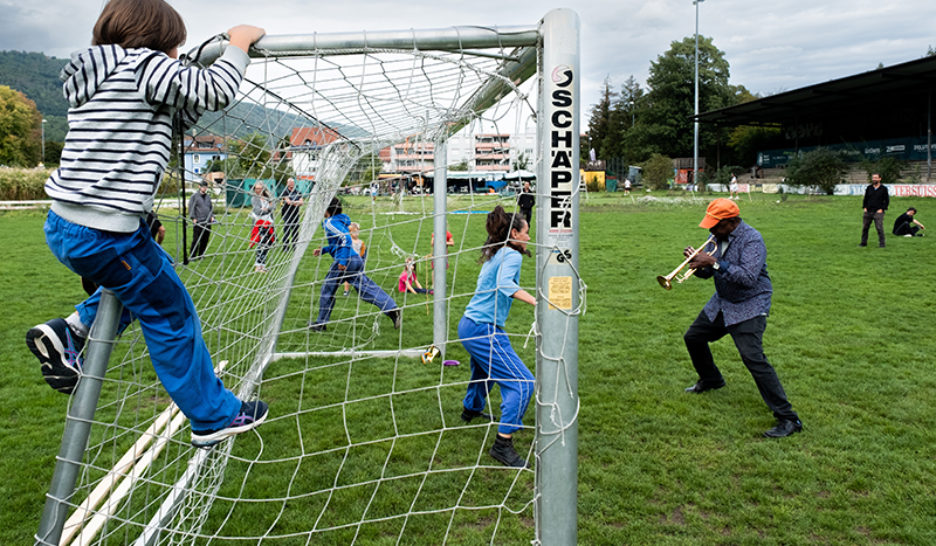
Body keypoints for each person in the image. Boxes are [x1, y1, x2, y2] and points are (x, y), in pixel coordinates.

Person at [25, 0, 268, 448]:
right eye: (175, 46)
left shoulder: (101, 77)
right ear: (158, 39)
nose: (175, 57)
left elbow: (173, 116)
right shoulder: (142, 64)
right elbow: (213, 91)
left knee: (145, 281)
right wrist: (238, 44)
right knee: (171, 314)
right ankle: (214, 416)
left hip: (69, 223)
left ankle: (71, 330)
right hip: (105, 232)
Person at [682, 198, 802, 438]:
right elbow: (709, 275)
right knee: (694, 337)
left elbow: (747, 278)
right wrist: (698, 265)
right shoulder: (717, 237)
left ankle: (788, 419)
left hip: (750, 304)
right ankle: (711, 379)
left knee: (753, 358)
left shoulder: (752, 240)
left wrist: (713, 262)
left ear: (732, 222)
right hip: (723, 301)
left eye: (715, 225)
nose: (711, 230)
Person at [458, 205, 536, 467]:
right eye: (526, 233)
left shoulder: (497, 252)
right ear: (514, 233)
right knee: (522, 383)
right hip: (483, 328)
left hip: (468, 325)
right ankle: (503, 445)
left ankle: (471, 409)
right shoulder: (511, 256)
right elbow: (505, 286)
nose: (528, 237)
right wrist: (538, 302)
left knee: (484, 371)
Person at [309, 197, 401, 331]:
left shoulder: (329, 222)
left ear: (327, 209)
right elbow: (338, 244)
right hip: (355, 259)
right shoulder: (340, 220)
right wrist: (323, 250)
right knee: (366, 288)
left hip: (345, 261)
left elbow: (346, 238)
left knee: (327, 289)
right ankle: (391, 308)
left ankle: (320, 323)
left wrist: (342, 261)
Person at [250, 181, 275, 272]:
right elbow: (257, 211)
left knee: (267, 244)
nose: (258, 190)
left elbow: (274, 207)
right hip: (260, 224)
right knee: (261, 244)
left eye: (260, 188)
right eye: (256, 188)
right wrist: (268, 209)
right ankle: (258, 266)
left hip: (269, 223)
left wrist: (266, 209)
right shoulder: (254, 199)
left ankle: (263, 265)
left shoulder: (268, 197)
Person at [860, 173, 889, 248]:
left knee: (879, 228)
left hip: (878, 212)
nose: (874, 179)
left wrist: (882, 209)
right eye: (873, 178)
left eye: (876, 178)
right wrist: (865, 207)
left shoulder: (883, 189)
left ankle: (882, 244)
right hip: (868, 211)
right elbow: (865, 198)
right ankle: (863, 243)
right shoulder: (869, 188)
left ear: (880, 179)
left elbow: (886, 201)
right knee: (865, 227)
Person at [189, 180, 214, 259]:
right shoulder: (194, 197)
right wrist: (193, 218)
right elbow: (191, 207)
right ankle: (193, 255)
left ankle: (201, 255)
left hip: (207, 221)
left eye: (205, 187)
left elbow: (210, 207)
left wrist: (212, 216)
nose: (204, 188)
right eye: (203, 187)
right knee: (196, 239)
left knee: (205, 239)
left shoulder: (208, 197)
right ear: (199, 187)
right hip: (199, 221)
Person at [343, 222, 366, 296]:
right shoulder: (349, 241)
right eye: (354, 232)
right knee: (347, 277)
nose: (356, 233)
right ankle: (346, 291)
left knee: (359, 276)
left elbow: (363, 251)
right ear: (349, 233)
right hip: (349, 261)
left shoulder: (361, 242)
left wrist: (359, 257)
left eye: (357, 231)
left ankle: (361, 290)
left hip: (358, 261)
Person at [280, 177, 303, 250]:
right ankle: (285, 247)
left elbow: (302, 202)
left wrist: (294, 202)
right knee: (286, 230)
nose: (291, 185)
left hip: (295, 214)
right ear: (287, 184)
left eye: (292, 183)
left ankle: (295, 246)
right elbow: (288, 202)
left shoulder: (298, 192)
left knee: (295, 231)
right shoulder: (285, 192)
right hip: (287, 214)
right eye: (289, 183)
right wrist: (296, 202)